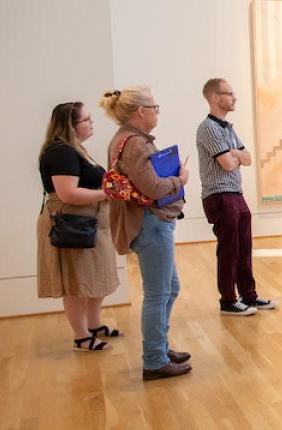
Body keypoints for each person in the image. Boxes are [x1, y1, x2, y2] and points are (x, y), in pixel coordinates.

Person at [100, 86, 193, 380]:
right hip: (150, 223)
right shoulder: (136, 144)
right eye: (155, 107)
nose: (157, 112)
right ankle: (154, 359)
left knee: (170, 288)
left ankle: (160, 348)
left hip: (146, 222)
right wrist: (179, 180)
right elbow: (152, 188)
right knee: (157, 294)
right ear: (141, 112)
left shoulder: (123, 139)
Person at [36, 101, 121, 351]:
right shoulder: (62, 152)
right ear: (71, 126)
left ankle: (94, 325)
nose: (91, 123)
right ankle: (81, 336)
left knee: (94, 277)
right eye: (87, 120)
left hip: (89, 224)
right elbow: (68, 194)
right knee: (77, 283)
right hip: (73, 225)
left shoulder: (76, 149)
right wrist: (106, 193)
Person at [196, 78, 278, 317]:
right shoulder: (208, 128)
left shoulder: (227, 128)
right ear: (215, 97)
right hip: (219, 194)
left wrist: (235, 154)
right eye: (229, 93)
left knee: (244, 248)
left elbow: (248, 158)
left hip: (235, 193)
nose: (235, 98)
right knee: (229, 249)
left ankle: (249, 296)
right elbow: (228, 164)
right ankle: (228, 300)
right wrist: (235, 154)